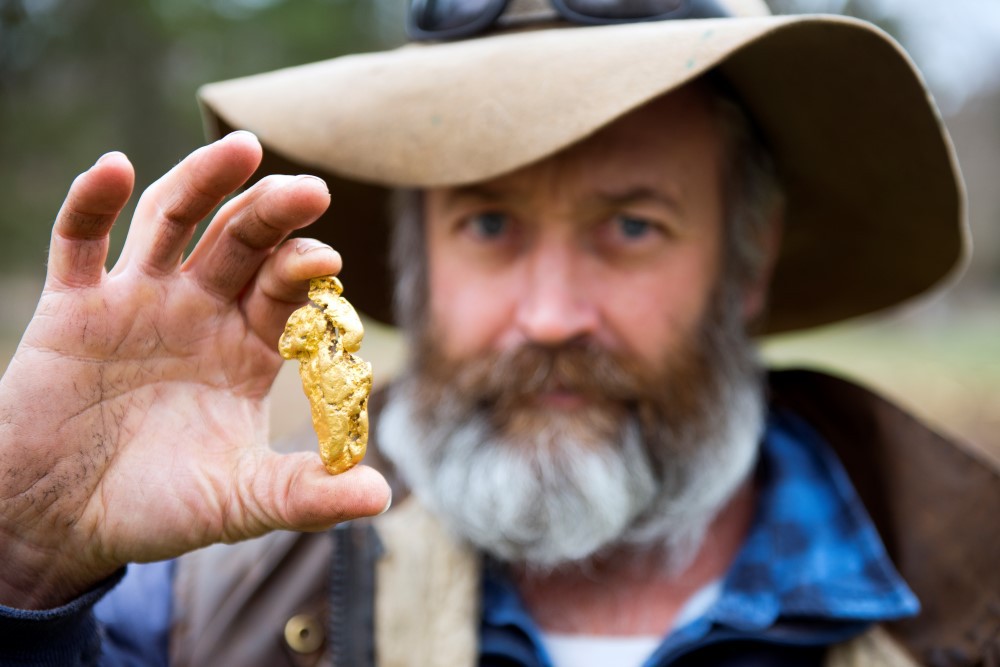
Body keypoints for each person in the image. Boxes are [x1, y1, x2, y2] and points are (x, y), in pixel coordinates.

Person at [1, 0, 998, 665]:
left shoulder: (968, 596)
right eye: (488, 224)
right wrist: (28, 563)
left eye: (631, 225)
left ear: (750, 256)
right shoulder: (202, 603)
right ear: (420, 261)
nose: (551, 313)